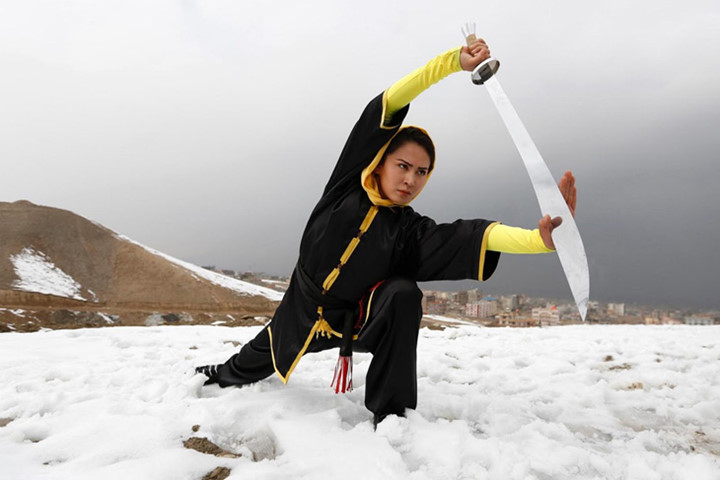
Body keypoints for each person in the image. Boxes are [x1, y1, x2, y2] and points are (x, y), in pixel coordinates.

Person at [196, 37, 577, 428]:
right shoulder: (346, 183)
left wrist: (539, 241)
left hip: (356, 322)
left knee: (402, 293)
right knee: (247, 362)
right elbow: (391, 101)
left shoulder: (409, 231)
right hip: (300, 311)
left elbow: (473, 236)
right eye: (403, 165)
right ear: (380, 163)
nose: (411, 179)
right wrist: (451, 63)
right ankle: (221, 374)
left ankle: (392, 415)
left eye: (422, 171)